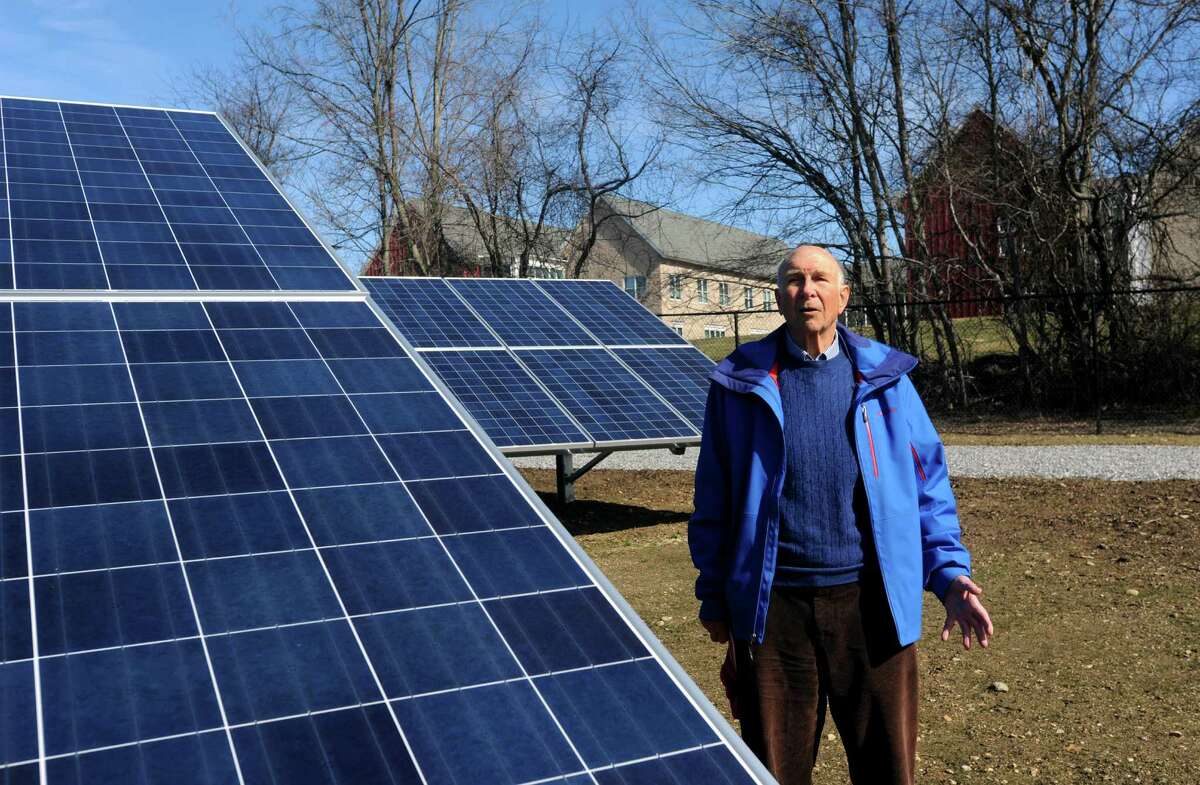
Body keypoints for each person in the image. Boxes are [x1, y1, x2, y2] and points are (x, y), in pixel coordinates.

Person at [689, 245, 993, 785]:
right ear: (778, 296)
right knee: (774, 769)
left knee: (886, 766)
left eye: (820, 279)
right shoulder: (738, 383)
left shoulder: (886, 380)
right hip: (773, 608)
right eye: (794, 280)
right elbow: (715, 499)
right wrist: (715, 596)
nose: (807, 290)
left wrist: (948, 574)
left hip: (872, 605)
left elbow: (927, 487)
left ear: (843, 296)